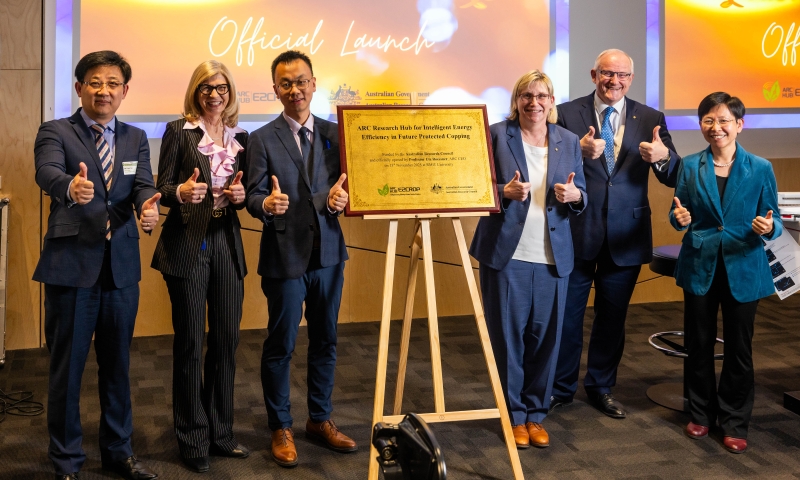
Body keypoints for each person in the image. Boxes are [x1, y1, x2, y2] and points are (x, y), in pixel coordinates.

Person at [33, 50, 160, 480]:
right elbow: (46, 172)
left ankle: (118, 453)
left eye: (112, 83)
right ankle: (67, 462)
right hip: (72, 266)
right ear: (79, 88)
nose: (103, 90)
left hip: (121, 267)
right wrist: (71, 185)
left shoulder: (135, 137)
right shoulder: (56, 131)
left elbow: (142, 183)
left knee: (118, 365)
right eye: (94, 82)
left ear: (124, 91)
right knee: (67, 369)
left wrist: (148, 207)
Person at [552, 48, 681, 418]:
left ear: (631, 79)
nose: (615, 81)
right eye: (608, 73)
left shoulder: (651, 117)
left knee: (612, 319)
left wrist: (663, 157)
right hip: (576, 231)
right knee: (568, 317)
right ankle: (561, 389)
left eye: (622, 75)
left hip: (626, 235)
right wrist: (575, 151)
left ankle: (601, 387)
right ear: (594, 74)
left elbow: (672, 176)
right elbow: (547, 165)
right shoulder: (565, 112)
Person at [245, 50, 354, 468]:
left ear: (314, 83)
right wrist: (264, 204)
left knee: (326, 340)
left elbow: (346, 190)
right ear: (275, 89)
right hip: (284, 256)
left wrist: (342, 199)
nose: (295, 90)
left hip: (328, 253)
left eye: (302, 81)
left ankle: (320, 419)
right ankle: (280, 425)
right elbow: (252, 195)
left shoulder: (335, 133)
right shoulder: (260, 138)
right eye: (286, 83)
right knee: (282, 345)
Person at [469, 70, 587, 449]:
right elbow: (470, 185)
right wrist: (502, 191)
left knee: (547, 341)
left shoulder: (568, 141)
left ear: (551, 102)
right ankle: (514, 414)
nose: (533, 102)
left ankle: (537, 414)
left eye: (541, 96)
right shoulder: (494, 134)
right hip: (508, 254)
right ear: (516, 100)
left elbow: (581, 192)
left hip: (554, 257)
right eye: (526, 95)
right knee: (508, 339)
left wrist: (575, 196)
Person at [150, 60, 249, 473]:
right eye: (206, 87)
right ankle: (192, 436)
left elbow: (247, 189)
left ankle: (220, 432)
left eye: (221, 87)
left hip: (226, 239)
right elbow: (162, 187)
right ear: (196, 90)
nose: (214, 94)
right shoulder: (179, 131)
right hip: (189, 242)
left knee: (226, 342)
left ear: (230, 92)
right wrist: (182, 191)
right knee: (191, 343)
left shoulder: (240, 135)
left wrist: (241, 194)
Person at [670, 92, 781, 454]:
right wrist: (678, 219)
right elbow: (679, 212)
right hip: (700, 264)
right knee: (698, 344)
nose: (715, 128)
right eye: (708, 120)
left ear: (739, 125)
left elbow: (774, 218)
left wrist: (769, 228)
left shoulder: (761, 167)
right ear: (701, 124)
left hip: (744, 265)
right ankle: (700, 414)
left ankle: (734, 421)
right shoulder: (689, 165)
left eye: (723, 121)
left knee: (739, 349)